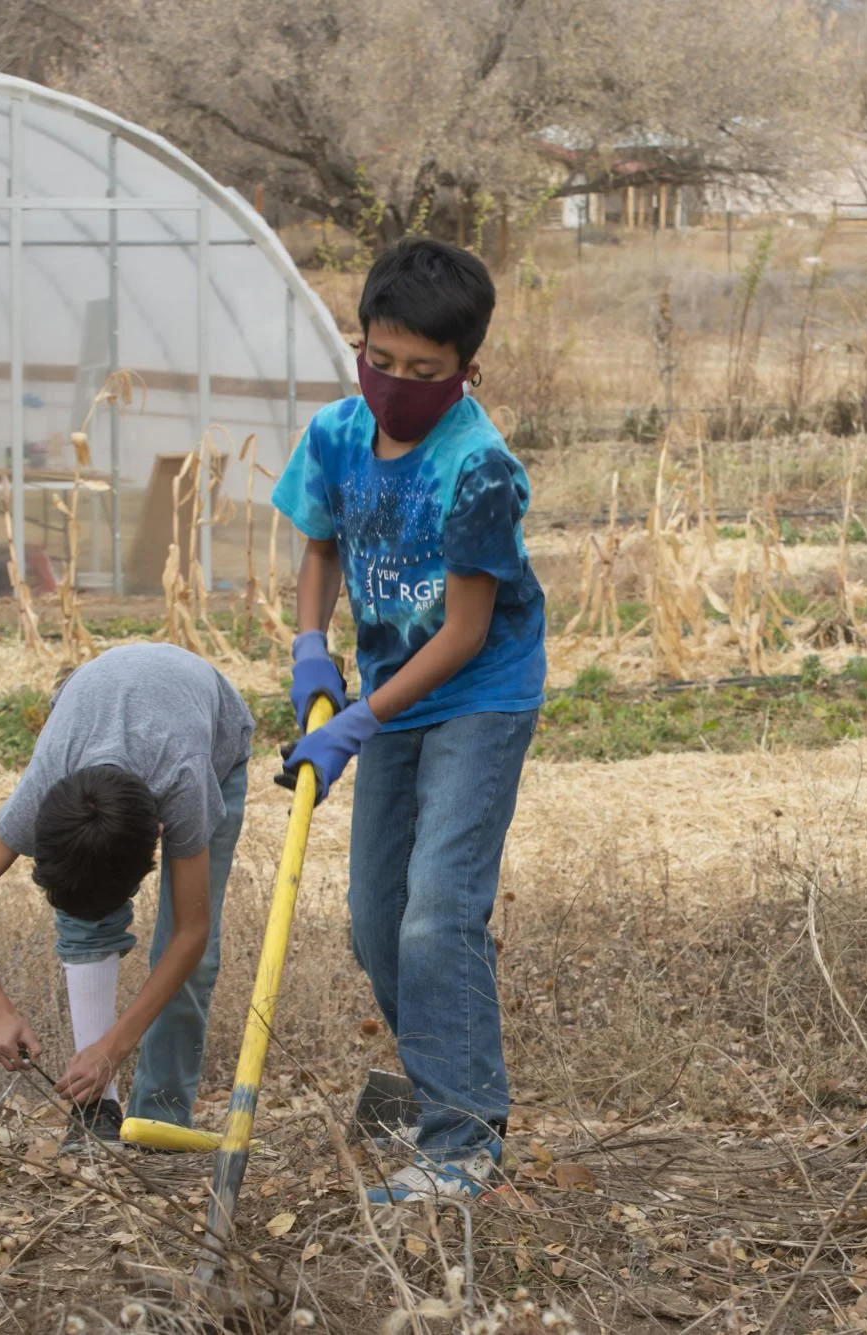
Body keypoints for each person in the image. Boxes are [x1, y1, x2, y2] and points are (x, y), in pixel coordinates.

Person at [273, 237, 546, 1205]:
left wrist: (353, 721)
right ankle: (445, 1076)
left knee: (437, 912)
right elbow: (319, 548)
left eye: (421, 373)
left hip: (476, 694)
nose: (392, 385)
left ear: (466, 371)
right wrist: (312, 648)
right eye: (377, 361)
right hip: (387, 690)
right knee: (375, 924)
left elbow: (467, 631)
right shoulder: (338, 436)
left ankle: (462, 1142)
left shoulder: (479, 469)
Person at [0, 643, 254, 1151]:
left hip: (210, 734)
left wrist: (117, 1044)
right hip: (96, 708)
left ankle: (161, 1120)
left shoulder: (186, 783)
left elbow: (192, 934)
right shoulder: (50, 781)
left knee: (191, 956)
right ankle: (96, 1110)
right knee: (86, 921)